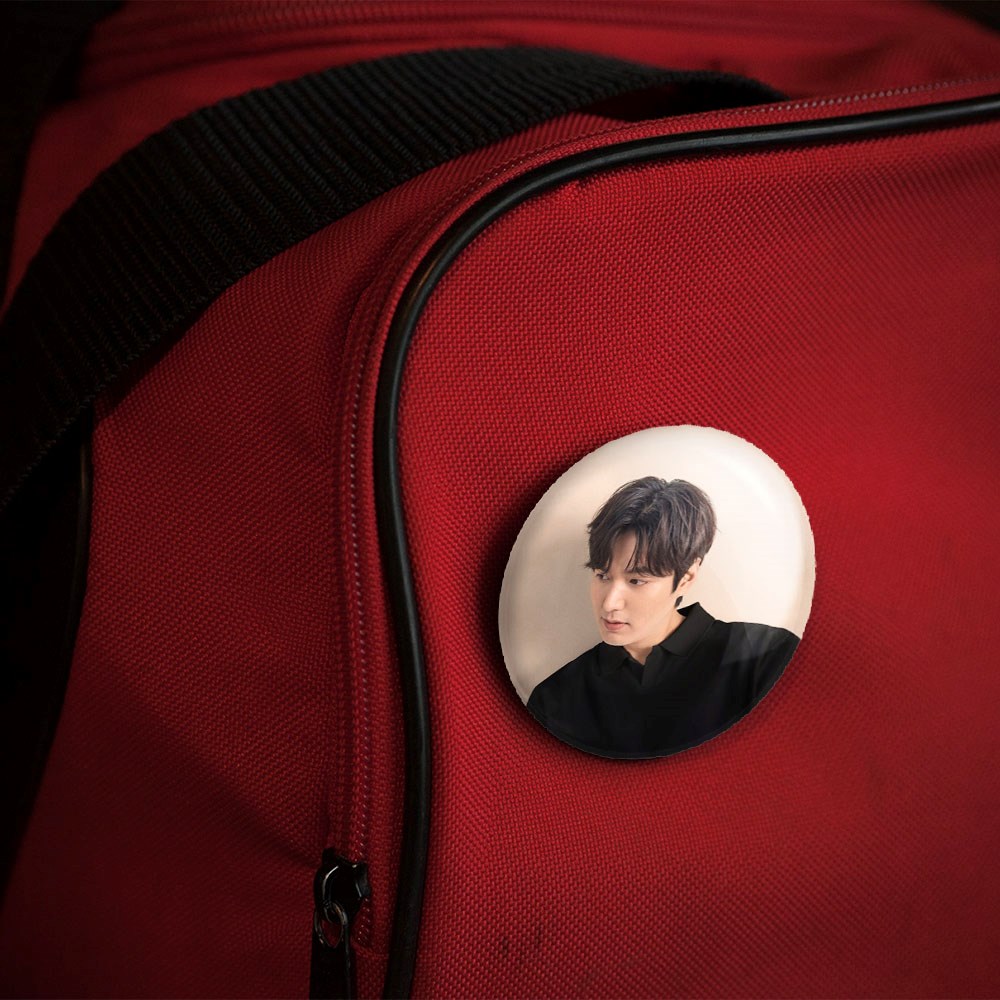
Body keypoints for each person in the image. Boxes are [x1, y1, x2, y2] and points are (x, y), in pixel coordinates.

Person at [526, 477, 799, 758]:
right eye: (602, 575)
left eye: (636, 580)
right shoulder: (555, 697)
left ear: (686, 578)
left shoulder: (766, 655)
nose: (609, 603)